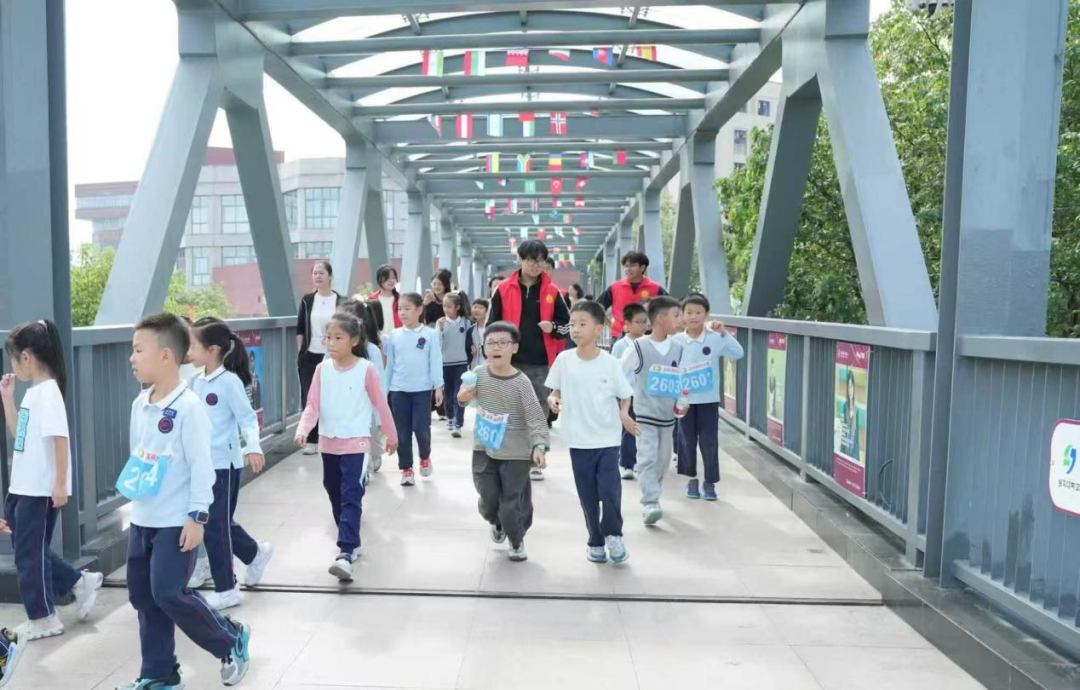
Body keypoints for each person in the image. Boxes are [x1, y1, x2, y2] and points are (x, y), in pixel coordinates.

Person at [120, 312, 250, 689]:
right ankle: (159, 674)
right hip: (143, 519)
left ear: (165, 356)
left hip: (176, 522)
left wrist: (197, 517)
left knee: (169, 592)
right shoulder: (140, 404)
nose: (131, 358)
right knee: (144, 597)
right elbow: (139, 458)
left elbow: (202, 467)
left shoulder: (190, 407)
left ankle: (229, 640)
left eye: (138, 350)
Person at [1, 320, 103, 640]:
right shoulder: (34, 393)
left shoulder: (48, 393)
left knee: (29, 555)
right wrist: (7, 399)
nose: (12, 366)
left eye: (13, 359)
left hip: (39, 489)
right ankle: (79, 583)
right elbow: (19, 434)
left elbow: (61, 438)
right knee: (30, 551)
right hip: (22, 486)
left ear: (26, 357)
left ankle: (44, 618)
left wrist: (60, 483)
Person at [295, 312, 398, 581]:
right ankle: (352, 540)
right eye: (328, 337)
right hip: (329, 443)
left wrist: (391, 434)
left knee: (351, 493)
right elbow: (312, 405)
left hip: (357, 443)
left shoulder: (366, 369)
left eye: (338, 337)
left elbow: (380, 403)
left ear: (354, 340)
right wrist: (303, 429)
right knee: (333, 491)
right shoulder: (322, 369)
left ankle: (346, 552)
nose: (331, 343)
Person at [186, 319, 274, 610]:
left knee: (215, 527)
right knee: (217, 522)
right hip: (201, 465)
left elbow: (247, 418)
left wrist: (253, 447)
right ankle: (255, 553)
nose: (188, 351)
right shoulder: (195, 381)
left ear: (212, 350)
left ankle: (227, 588)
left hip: (223, 465)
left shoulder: (229, 382)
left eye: (193, 346)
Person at [546, 302, 637, 564]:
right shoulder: (564, 360)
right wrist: (553, 399)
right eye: (572, 324)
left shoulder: (610, 363)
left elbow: (625, 394)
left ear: (598, 329)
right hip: (578, 439)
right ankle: (595, 541)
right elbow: (555, 390)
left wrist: (624, 413)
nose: (575, 329)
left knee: (609, 490)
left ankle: (614, 535)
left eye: (582, 324)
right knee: (587, 496)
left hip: (607, 438)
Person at [458, 321, 548, 562]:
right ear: (483, 347)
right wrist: (463, 396)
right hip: (484, 448)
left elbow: (535, 415)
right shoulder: (478, 374)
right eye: (491, 343)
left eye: (503, 343)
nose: (496, 347)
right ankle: (496, 521)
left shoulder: (521, 382)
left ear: (514, 348)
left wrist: (539, 445)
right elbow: (463, 396)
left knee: (511, 502)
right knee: (488, 500)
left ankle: (516, 540)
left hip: (515, 452)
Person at [488, 240, 570, 480]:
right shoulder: (503, 289)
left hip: (540, 361)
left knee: (538, 411)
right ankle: (510, 456)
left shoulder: (553, 292)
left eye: (541, 261)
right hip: (509, 361)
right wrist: (493, 353)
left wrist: (553, 327)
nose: (536, 265)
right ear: (520, 260)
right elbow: (492, 325)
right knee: (507, 410)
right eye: (532, 260)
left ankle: (536, 459)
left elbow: (567, 326)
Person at [618, 296, 684, 525]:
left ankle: (654, 494)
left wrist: (682, 400)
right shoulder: (638, 347)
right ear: (660, 319)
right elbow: (621, 375)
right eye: (676, 315)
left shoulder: (678, 348)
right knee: (647, 457)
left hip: (668, 417)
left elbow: (681, 378)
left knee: (663, 460)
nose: (680, 320)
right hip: (644, 415)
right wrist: (624, 407)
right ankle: (650, 502)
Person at [673, 294, 744, 501]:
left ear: (706, 315)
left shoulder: (714, 338)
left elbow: (738, 353)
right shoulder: (676, 341)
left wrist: (724, 333)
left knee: (709, 441)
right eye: (688, 312)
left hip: (708, 400)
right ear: (682, 315)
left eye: (698, 312)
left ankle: (710, 482)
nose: (693, 316)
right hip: (684, 400)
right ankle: (692, 479)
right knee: (686, 441)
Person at [386, 293, 444, 486]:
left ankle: (425, 457)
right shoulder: (394, 335)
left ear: (419, 310)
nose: (402, 313)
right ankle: (406, 469)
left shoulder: (430, 334)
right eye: (399, 309)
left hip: (422, 390)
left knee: (421, 429)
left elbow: (435, 361)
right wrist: (384, 391)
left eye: (407, 308)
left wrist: (438, 386)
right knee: (402, 432)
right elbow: (390, 366)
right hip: (398, 390)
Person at [296, 260, 345, 455]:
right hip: (310, 354)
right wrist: (301, 351)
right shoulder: (307, 300)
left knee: (333, 396)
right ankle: (311, 439)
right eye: (315, 273)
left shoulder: (340, 301)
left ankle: (334, 435)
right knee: (309, 395)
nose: (317, 276)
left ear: (330, 276)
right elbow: (300, 327)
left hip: (334, 356)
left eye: (321, 273)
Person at [341, 299, 389, 475]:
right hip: (345, 405)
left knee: (367, 437)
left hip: (367, 406)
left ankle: (367, 466)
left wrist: (381, 415)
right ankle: (361, 470)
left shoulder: (372, 350)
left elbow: (380, 385)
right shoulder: (334, 349)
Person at [611, 303, 649, 480]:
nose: (643, 325)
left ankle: (642, 462)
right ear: (627, 324)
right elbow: (614, 369)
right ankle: (627, 463)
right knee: (629, 429)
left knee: (645, 429)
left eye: (645, 322)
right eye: (638, 322)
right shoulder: (620, 345)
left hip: (646, 393)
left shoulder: (649, 342)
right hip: (628, 394)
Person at [598, 251, 667, 339]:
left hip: (647, 335)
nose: (628, 269)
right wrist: (611, 324)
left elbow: (669, 309)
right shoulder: (614, 287)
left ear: (642, 267)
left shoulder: (655, 288)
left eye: (632, 266)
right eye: (626, 266)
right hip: (620, 335)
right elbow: (597, 307)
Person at [438, 291, 471, 438]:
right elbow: (438, 343)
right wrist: (440, 330)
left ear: (457, 307)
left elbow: (471, 339)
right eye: (444, 306)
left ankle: (458, 423)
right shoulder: (440, 322)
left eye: (449, 306)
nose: (446, 309)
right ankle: (450, 417)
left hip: (461, 363)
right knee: (448, 393)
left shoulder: (466, 322)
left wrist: (473, 347)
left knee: (460, 392)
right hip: (445, 363)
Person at [369, 264, 402, 337]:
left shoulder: (401, 299)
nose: (391, 281)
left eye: (393, 278)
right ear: (379, 279)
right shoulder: (372, 299)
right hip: (378, 339)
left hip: (397, 339)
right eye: (387, 278)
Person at [467, 299, 489, 369]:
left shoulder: (491, 328)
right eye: (475, 307)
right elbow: (467, 345)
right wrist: (471, 346)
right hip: (475, 365)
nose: (477, 310)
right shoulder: (471, 329)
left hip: (489, 364)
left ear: (487, 311)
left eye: (481, 308)